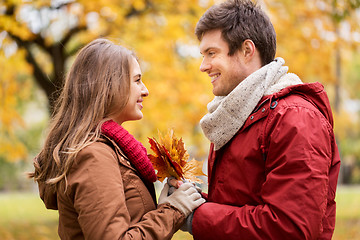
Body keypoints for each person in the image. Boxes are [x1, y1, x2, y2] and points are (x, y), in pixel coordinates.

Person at [180, 0, 341, 239]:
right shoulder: (237, 114)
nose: (203, 66)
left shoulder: (295, 119)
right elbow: (241, 204)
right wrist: (189, 202)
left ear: (247, 50)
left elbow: (291, 229)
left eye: (211, 53)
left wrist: (198, 217)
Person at [29, 38, 205, 240]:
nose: (145, 91)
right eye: (137, 80)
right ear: (109, 85)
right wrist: (173, 211)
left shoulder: (112, 150)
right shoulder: (93, 156)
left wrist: (164, 207)